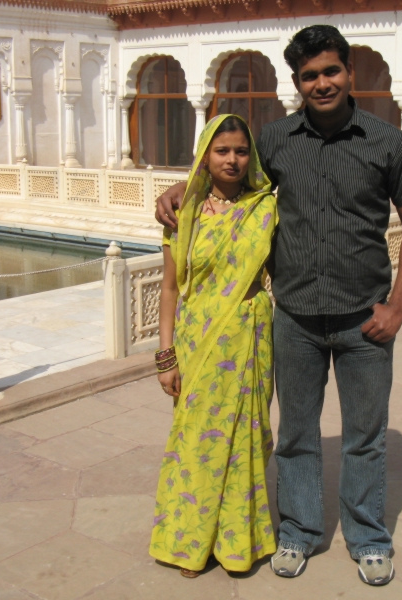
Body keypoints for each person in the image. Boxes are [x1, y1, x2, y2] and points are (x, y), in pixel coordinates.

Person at [155, 25, 402, 586]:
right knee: (298, 433)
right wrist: (180, 190)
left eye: (330, 71)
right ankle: (299, 531)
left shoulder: (388, 142)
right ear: (297, 82)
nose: (321, 83)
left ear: (349, 72)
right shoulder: (276, 139)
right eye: (309, 76)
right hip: (296, 319)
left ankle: (368, 536)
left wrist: (397, 307)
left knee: (365, 435)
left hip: (364, 319)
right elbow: (234, 176)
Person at [150, 114, 278, 578]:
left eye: (241, 151)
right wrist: (165, 357)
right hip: (196, 341)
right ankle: (192, 542)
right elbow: (168, 289)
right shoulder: (182, 215)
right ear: (205, 155)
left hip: (249, 337)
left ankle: (238, 541)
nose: (232, 159)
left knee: (244, 440)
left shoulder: (265, 207)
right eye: (222, 151)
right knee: (197, 442)